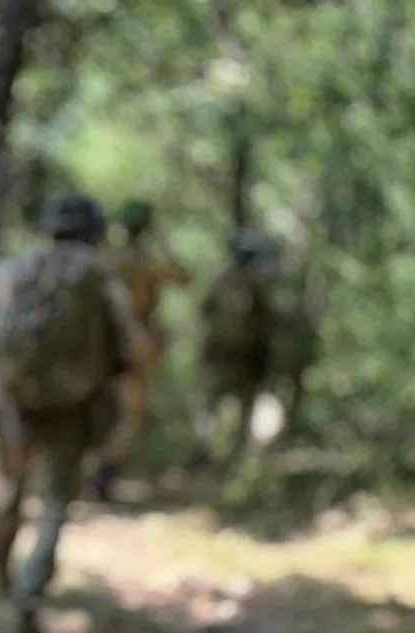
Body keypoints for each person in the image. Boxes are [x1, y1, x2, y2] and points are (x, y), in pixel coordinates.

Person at [0, 192, 147, 633]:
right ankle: (28, 599)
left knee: (11, 488)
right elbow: (135, 348)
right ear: (95, 231)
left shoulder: (20, 268)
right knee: (55, 507)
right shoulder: (100, 277)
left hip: (17, 401)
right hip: (72, 408)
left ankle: (0, 568)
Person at [90, 199, 191, 500]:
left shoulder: (107, 257)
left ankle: (92, 471)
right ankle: (102, 472)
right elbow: (185, 278)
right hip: (132, 349)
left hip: (100, 348)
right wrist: (164, 242)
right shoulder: (148, 260)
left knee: (100, 412)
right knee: (131, 416)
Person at [192, 228, 276, 471]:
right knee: (221, 404)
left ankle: (221, 454)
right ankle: (217, 454)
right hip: (231, 355)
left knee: (219, 404)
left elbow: (205, 312)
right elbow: (268, 320)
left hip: (238, 356)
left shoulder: (228, 281)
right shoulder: (249, 283)